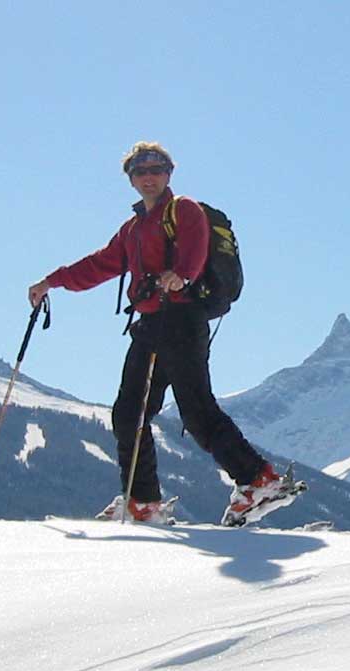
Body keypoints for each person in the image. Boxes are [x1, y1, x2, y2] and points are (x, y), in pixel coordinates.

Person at [28, 141, 297, 526]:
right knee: (129, 414)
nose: (149, 176)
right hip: (152, 325)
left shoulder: (182, 209)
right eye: (141, 171)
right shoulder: (134, 229)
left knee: (196, 409)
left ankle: (258, 480)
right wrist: (52, 281)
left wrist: (182, 275)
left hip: (182, 319)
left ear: (169, 174)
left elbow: (196, 247)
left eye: (157, 169)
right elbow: (101, 264)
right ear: (131, 179)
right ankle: (142, 502)